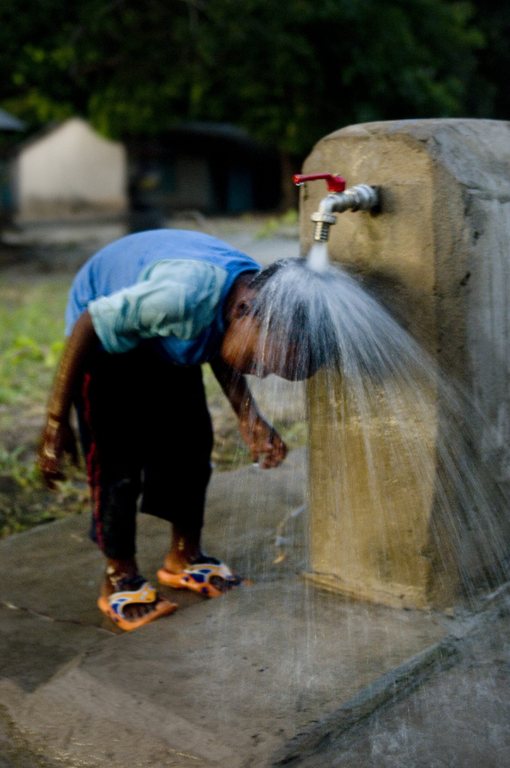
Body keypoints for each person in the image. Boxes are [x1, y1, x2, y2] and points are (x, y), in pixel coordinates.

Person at [37, 228, 310, 632]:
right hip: (105, 339)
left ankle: (185, 556)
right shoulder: (180, 296)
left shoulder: (252, 294)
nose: (260, 372)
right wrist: (55, 424)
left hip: (166, 336)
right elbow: (90, 323)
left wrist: (248, 415)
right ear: (243, 312)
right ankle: (119, 576)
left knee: (189, 448)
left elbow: (224, 340)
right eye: (260, 363)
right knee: (118, 463)